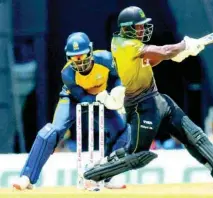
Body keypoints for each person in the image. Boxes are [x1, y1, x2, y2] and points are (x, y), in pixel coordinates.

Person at [84, 6, 213, 188]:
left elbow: (152, 58)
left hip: (158, 100)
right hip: (141, 107)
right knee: (137, 156)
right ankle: (93, 174)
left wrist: (180, 53)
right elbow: (162, 51)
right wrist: (184, 46)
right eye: (139, 26)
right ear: (127, 28)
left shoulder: (131, 44)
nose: (143, 30)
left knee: (194, 135)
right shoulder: (123, 44)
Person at [12, 32, 129, 190]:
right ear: (68, 57)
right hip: (72, 100)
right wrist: (106, 98)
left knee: (123, 132)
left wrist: (118, 91)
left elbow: (119, 77)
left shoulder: (106, 59)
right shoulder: (67, 73)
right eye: (74, 58)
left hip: (101, 97)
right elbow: (83, 99)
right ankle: (27, 177)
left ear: (90, 51)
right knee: (51, 132)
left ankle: (107, 177)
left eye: (82, 56)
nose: (79, 62)